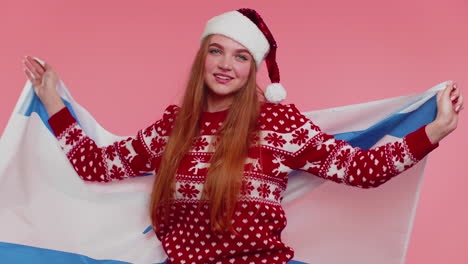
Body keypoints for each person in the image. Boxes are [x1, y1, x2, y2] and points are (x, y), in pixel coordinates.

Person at [22, 8, 463, 264]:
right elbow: (97, 165)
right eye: (216, 50)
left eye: (241, 57)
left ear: (253, 69)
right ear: (202, 58)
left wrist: (435, 131)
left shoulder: (279, 126)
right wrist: (54, 102)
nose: (226, 65)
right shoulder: (173, 130)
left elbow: (360, 169)